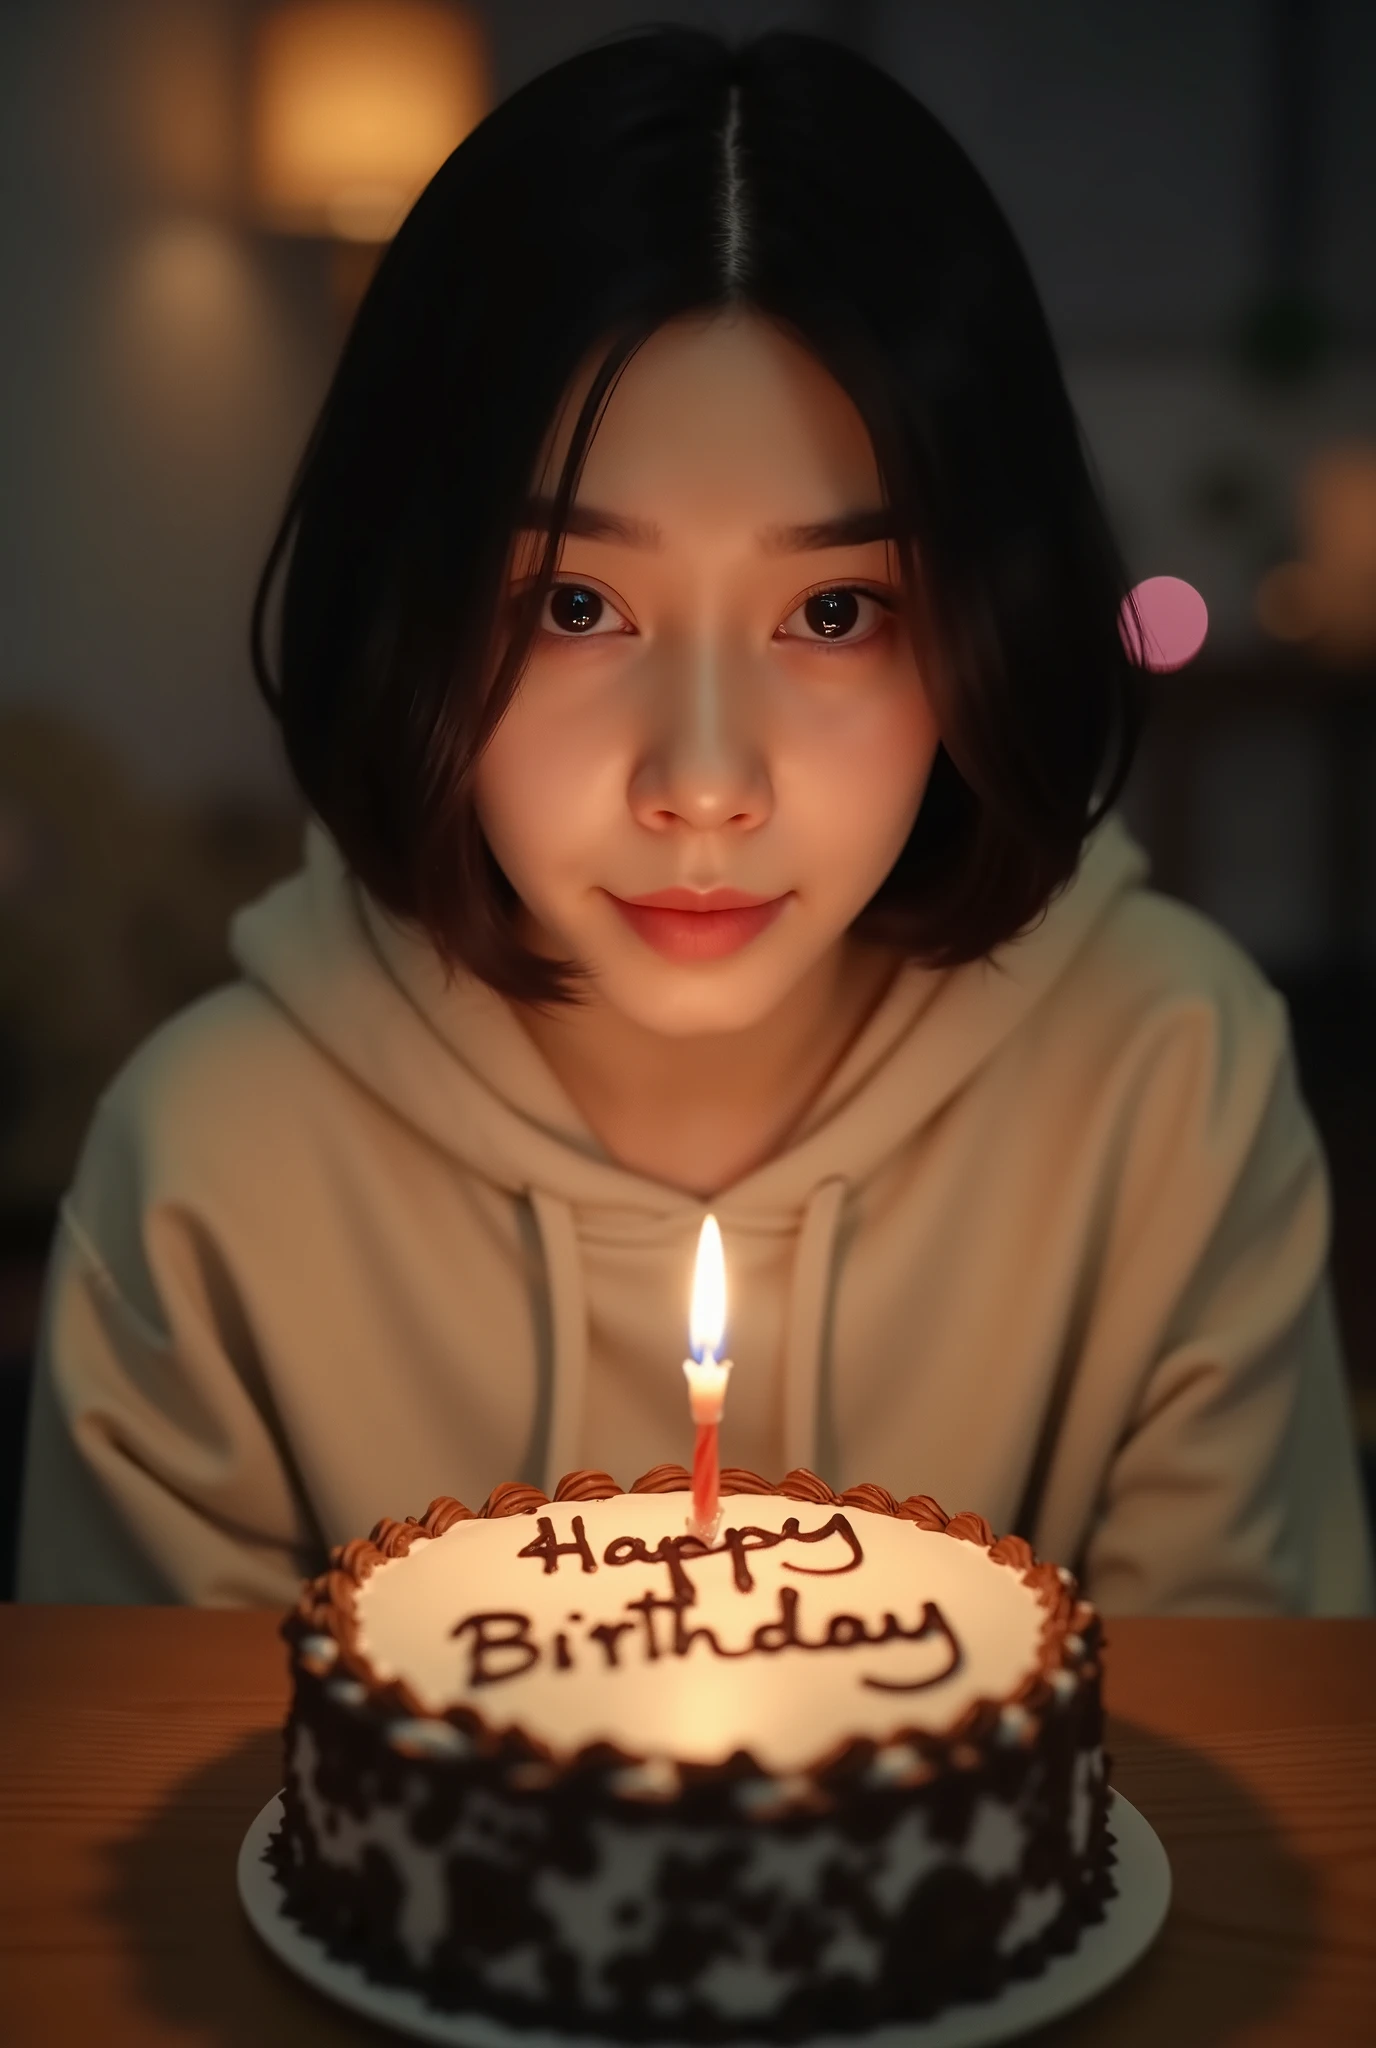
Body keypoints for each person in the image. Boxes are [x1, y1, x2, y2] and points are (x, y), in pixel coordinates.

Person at [17, 30, 1372, 1613]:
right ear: (409, 605)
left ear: (983, 624)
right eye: (578, 604)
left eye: (838, 609)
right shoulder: (208, 1174)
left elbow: (1228, 1810)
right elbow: (153, 1835)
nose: (707, 781)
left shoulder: (1170, 1085)